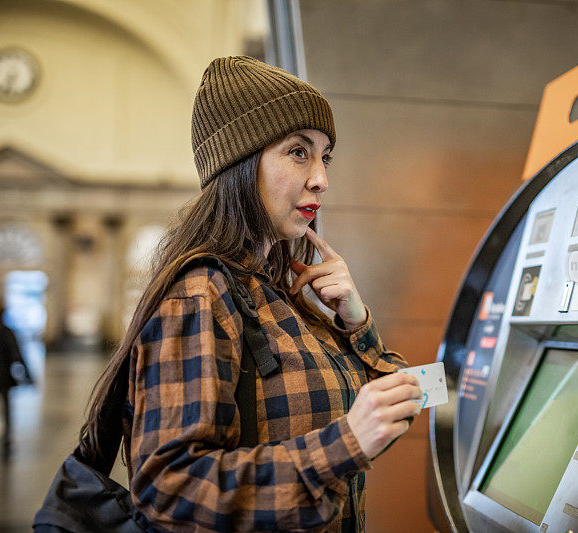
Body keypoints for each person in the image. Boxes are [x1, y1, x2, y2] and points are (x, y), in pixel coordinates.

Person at [79, 57, 422, 532]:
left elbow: (390, 400)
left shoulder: (279, 291)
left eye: (325, 156)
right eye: (299, 152)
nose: (321, 178)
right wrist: (343, 445)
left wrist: (355, 319)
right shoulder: (200, 294)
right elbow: (169, 491)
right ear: (239, 164)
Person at [0, 297, 27, 459]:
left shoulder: (6, 331)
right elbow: (16, 353)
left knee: (2, 409)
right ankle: (6, 440)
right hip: (3, 376)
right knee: (6, 410)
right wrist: (26, 373)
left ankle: (5, 439)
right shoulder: (6, 331)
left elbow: (15, 353)